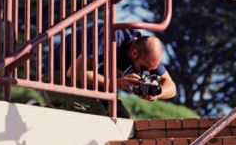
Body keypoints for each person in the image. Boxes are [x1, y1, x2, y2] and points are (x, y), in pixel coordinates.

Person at [49, 21, 177, 102]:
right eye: (144, 67)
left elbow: (172, 87)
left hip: (92, 83)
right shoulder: (111, 39)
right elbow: (74, 72)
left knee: (121, 118)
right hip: (58, 73)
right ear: (134, 53)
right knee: (96, 117)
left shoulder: (147, 56)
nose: (147, 72)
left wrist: (157, 92)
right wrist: (115, 83)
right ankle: (41, 106)